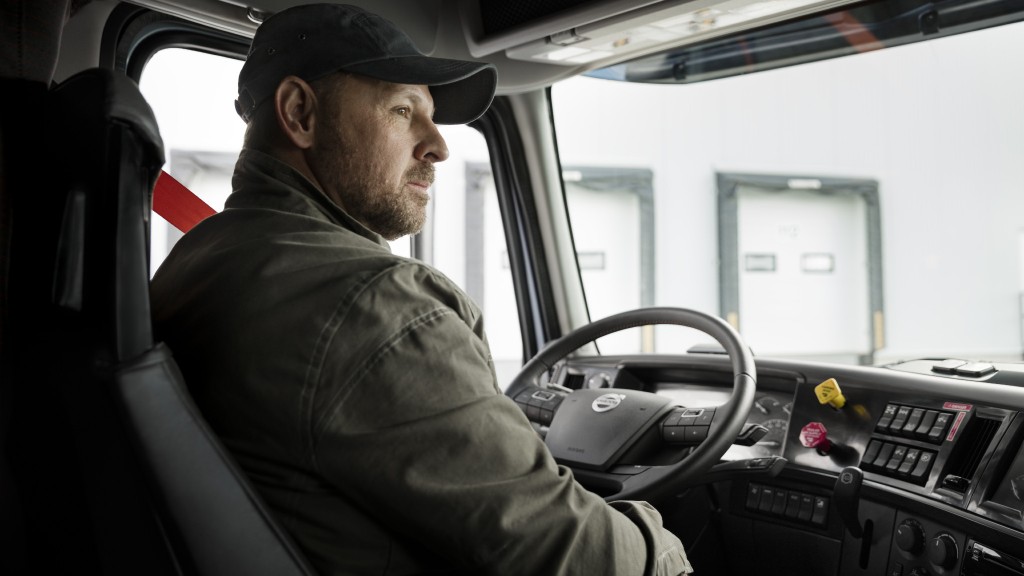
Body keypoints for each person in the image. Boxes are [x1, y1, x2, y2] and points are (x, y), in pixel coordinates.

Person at [150, 4, 693, 575]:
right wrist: (666, 547)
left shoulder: (203, 256)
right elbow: (567, 550)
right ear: (300, 112)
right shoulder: (375, 304)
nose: (438, 146)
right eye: (402, 110)